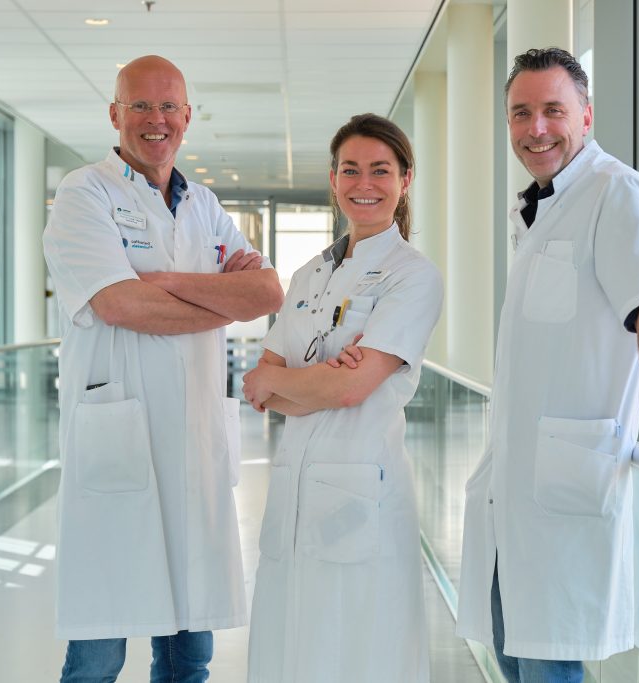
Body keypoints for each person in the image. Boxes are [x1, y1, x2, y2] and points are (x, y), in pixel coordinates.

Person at [454, 48, 639, 683]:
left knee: (548, 664)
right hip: (513, 494)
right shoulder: (539, 207)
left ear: (585, 117)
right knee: (515, 654)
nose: (535, 128)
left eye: (552, 111)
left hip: (565, 490)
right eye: (521, 113)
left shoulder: (614, 191)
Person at [42, 54, 283, 682]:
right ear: (116, 113)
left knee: (189, 655)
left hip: (194, 453)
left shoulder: (203, 204)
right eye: (141, 106)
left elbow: (266, 294)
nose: (157, 120)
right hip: (118, 446)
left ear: (187, 117)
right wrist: (213, 296)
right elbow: (119, 303)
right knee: (99, 653)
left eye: (169, 106)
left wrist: (170, 284)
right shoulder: (82, 194)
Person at [241, 113, 443, 683]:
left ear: (405, 180)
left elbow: (350, 388)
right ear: (333, 180)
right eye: (350, 169)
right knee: (291, 648)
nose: (364, 183)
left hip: (362, 492)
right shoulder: (308, 274)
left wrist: (306, 382)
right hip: (297, 490)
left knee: (359, 651)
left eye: (381, 170)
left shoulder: (413, 276)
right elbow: (263, 384)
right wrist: (315, 381)